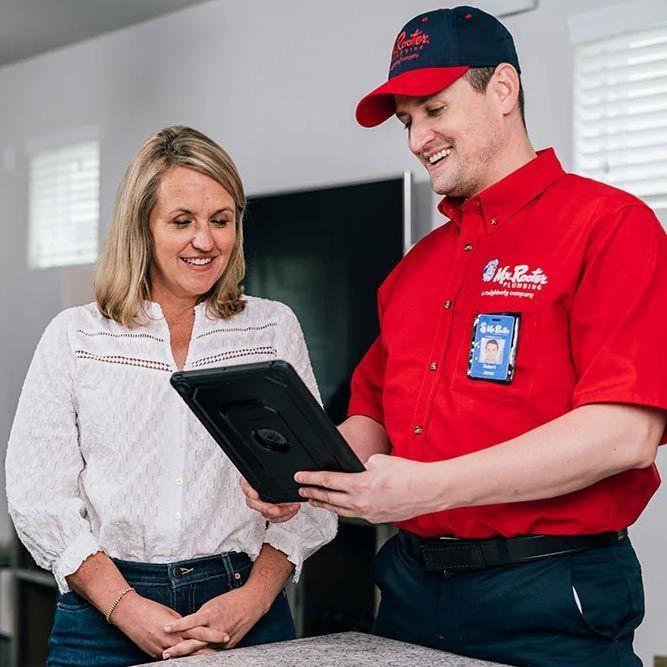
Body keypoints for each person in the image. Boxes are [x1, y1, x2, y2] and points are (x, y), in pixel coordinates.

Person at [243, 7, 667, 666]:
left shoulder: (609, 226)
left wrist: (427, 486)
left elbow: (624, 431)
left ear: (502, 89)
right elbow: (371, 419)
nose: (417, 137)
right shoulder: (414, 270)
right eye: (407, 120)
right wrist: (295, 476)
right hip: (411, 586)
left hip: (550, 592)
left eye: (434, 109)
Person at [6, 125, 336, 666]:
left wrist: (252, 600)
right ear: (143, 228)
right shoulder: (77, 336)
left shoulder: (271, 329)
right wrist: (126, 607)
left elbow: (312, 489)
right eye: (182, 221)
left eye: (221, 220)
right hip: (102, 612)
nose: (205, 241)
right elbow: (38, 494)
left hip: (243, 601)